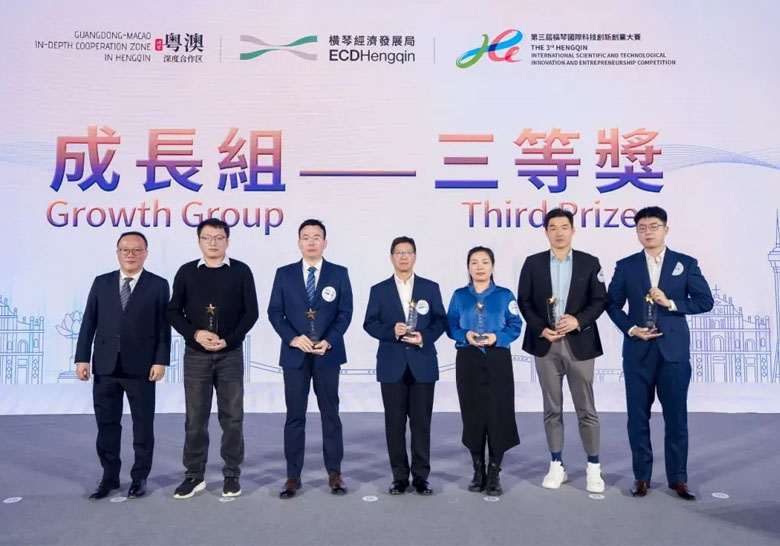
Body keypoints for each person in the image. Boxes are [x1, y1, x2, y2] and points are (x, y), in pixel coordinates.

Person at [607, 206, 713, 500]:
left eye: (654, 226)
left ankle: (678, 478)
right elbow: (612, 305)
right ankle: (641, 477)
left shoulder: (685, 263)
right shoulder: (626, 266)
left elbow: (705, 301)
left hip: (673, 352)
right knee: (637, 417)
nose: (648, 232)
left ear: (666, 229)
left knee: (676, 418)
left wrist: (671, 303)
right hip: (638, 351)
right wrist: (631, 329)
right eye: (642, 228)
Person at [517, 208, 609, 493]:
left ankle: (593, 467)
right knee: (552, 408)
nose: (559, 233)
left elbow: (600, 300)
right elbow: (524, 301)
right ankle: (557, 464)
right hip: (545, 344)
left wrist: (577, 321)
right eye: (553, 228)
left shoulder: (589, 262)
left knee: (586, 408)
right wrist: (540, 328)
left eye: (564, 227)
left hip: (579, 344)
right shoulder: (533, 263)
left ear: (573, 230)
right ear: (546, 232)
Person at [167, 218, 259, 499]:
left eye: (219, 238)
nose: (213, 243)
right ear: (199, 241)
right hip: (197, 355)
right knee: (195, 418)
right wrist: (195, 334)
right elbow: (173, 312)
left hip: (230, 354)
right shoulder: (186, 272)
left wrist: (228, 339)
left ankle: (231, 474)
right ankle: (194, 475)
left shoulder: (241, 271)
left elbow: (251, 312)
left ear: (227, 241)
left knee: (232, 418)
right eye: (207, 238)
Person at [75, 231, 170, 500]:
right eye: (125, 249)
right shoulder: (101, 282)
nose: (131, 254)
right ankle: (109, 476)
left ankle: (139, 478)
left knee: (143, 425)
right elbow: (89, 322)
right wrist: (82, 357)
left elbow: (163, 327)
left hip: (142, 367)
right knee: (106, 424)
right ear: (117, 253)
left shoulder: (158, 285)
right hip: (105, 365)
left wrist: (160, 360)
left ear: (146, 254)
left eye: (137, 250)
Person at [268, 219, 353, 498]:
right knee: (295, 415)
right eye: (306, 237)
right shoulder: (284, 274)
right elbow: (274, 312)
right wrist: (293, 338)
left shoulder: (339, 273)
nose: (311, 242)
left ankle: (335, 473)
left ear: (325, 242)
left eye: (317, 237)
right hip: (295, 355)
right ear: (299, 242)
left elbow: (345, 312)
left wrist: (329, 340)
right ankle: (292, 476)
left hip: (327, 354)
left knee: (331, 414)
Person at [363, 236, 447, 496]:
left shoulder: (430, 288)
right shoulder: (379, 290)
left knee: (421, 424)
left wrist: (424, 337)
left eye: (408, 252)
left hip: (422, 363)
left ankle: (421, 477)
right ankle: (399, 477)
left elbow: (440, 321)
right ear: (391, 258)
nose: (403, 257)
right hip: (392, 364)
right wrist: (392, 331)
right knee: (395, 424)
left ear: (415, 257)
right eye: (399, 253)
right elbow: (369, 323)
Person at [446, 246, 522, 496]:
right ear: (468, 267)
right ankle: (478, 470)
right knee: (473, 415)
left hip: (497, 358)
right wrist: (464, 334)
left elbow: (515, 325)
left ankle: (494, 472)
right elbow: (450, 325)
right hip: (468, 359)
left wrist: (497, 337)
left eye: (485, 262)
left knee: (498, 414)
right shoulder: (459, 296)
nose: (480, 267)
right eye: (474, 262)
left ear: (492, 266)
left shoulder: (504, 295)